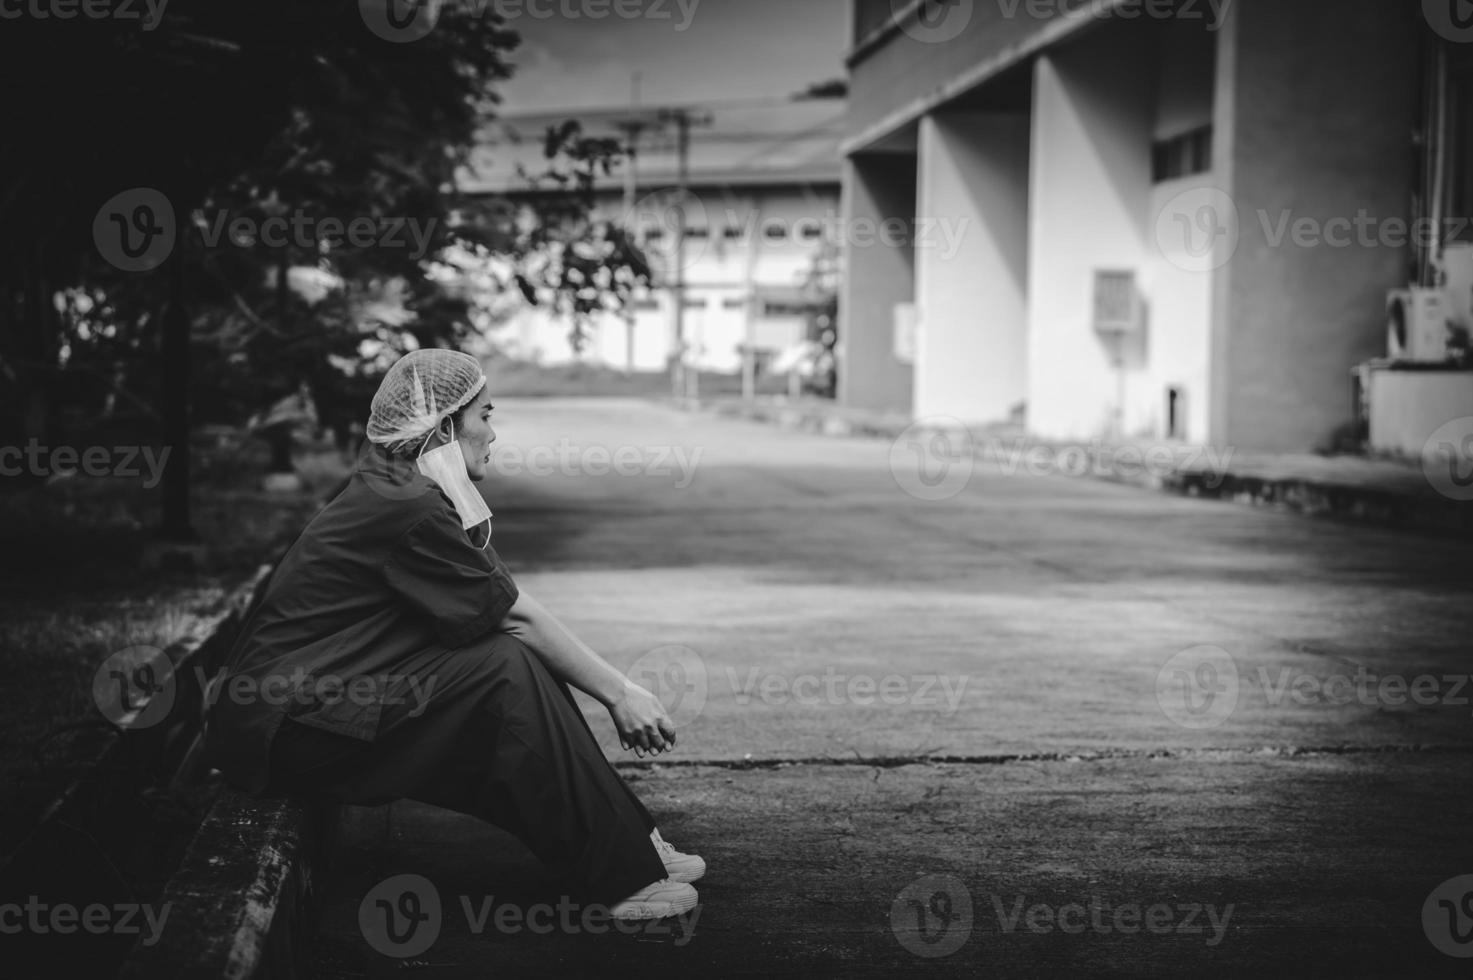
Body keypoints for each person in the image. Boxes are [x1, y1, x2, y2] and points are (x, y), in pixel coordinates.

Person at [201, 348, 704, 920]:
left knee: (510, 659)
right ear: (444, 427)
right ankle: (620, 873)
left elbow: (505, 606)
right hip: (288, 730)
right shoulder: (408, 504)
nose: (494, 433)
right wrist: (620, 693)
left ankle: (627, 842)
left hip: (314, 705)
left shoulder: (405, 485)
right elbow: (516, 615)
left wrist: (612, 689)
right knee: (501, 666)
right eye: (485, 416)